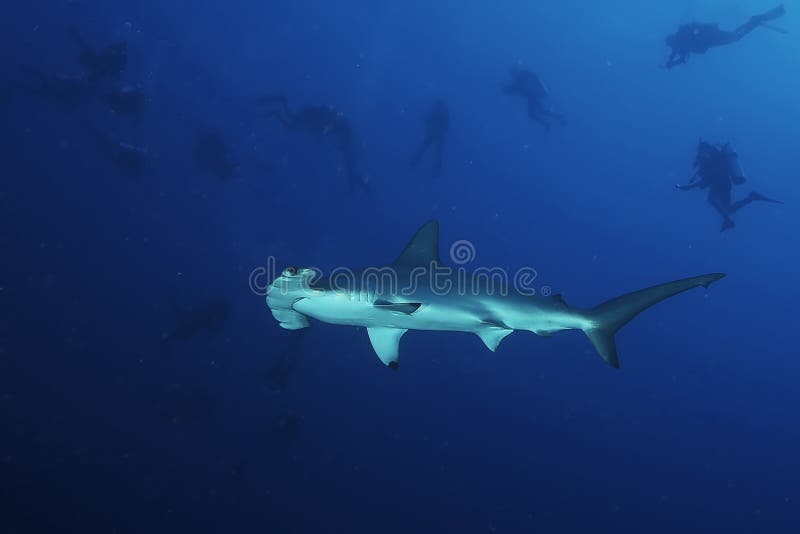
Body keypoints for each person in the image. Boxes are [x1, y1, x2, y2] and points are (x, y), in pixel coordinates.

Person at [258, 95, 369, 191]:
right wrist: (323, 133)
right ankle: (279, 106)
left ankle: (277, 109)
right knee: (290, 122)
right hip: (307, 118)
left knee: (290, 121)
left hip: (308, 118)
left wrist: (321, 134)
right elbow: (324, 128)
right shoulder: (332, 122)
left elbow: (321, 128)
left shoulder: (331, 121)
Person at [676, 140, 783, 231]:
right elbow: (703, 176)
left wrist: (689, 186)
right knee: (724, 207)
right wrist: (691, 182)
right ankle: (745, 203)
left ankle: (732, 216)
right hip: (720, 185)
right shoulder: (709, 160)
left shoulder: (712, 161)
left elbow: (706, 178)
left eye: (701, 152)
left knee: (715, 201)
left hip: (722, 185)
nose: (700, 155)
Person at [663, 5, 786, 69]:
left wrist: (670, 63)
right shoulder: (681, 43)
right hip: (713, 38)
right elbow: (677, 56)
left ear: (673, 40)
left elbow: (678, 57)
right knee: (735, 36)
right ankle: (753, 21)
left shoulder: (681, 41)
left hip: (713, 37)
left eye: (671, 44)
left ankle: (754, 20)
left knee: (736, 36)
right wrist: (670, 63)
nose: (673, 46)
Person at [503, 66, 565, 131]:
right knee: (536, 113)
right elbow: (513, 90)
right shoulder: (520, 79)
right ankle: (552, 120)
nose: (511, 76)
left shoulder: (520, 79)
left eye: (512, 74)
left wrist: (506, 88)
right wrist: (506, 88)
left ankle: (556, 118)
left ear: (514, 73)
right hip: (531, 97)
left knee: (536, 113)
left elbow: (514, 89)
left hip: (532, 96)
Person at [411, 99, 450, 178]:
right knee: (437, 154)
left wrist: (431, 128)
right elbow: (447, 124)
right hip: (437, 135)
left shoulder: (436, 111)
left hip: (433, 135)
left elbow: (426, 120)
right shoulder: (443, 112)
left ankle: (414, 163)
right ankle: (435, 171)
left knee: (426, 151)